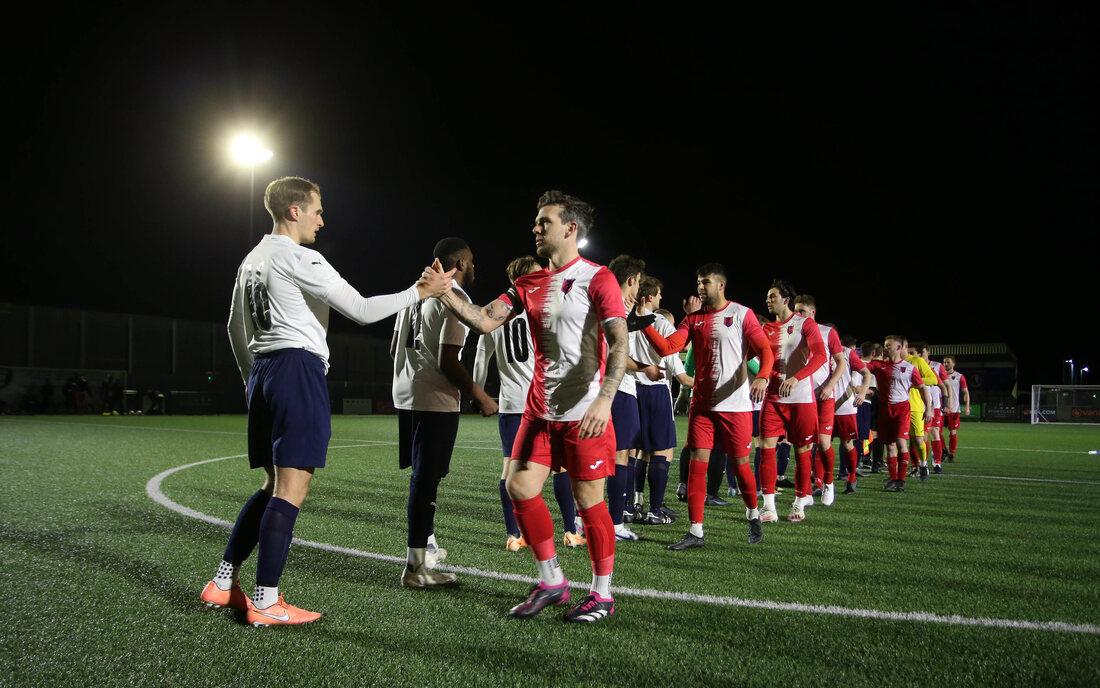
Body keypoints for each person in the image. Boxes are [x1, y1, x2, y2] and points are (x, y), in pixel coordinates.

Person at [203, 176, 452, 626]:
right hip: (297, 370)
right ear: (294, 211)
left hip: (263, 372)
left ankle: (223, 582)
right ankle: (265, 601)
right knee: (292, 488)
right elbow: (359, 309)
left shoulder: (252, 259)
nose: (322, 218)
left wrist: (251, 382)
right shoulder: (299, 256)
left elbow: (232, 329)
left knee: (271, 485)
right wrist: (420, 292)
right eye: (317, 209)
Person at [433, 190, 628, 623]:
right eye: (536, 222)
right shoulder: (527, 283)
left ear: (570, 228)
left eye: (544, 222)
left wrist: (605, 398)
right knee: (519, 487)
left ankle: (602, 594)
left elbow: (619, 342)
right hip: (538, 411)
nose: (536, 229)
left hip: (584, 414)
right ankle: (552, 581)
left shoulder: (598, 278)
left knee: (588, 501)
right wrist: (446, 293)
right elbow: (484, 320)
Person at [639, 263, 774, 549]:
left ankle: (753, 514)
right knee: (697, 467)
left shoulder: (741, 314)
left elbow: (765, 350)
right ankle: (696, 531)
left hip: (736, 407)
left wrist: (762, 377)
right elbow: (667, 348)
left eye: (707, 282)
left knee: (740, 466)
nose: (701, 287)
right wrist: (644, 324)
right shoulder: (693, 319)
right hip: (702, 406)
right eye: (699, 282)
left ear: (721, 285)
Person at [392, 237, 498, 588]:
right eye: (473, 262)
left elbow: (396, 345)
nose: (475, 268)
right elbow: (448, 360)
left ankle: (428, 546)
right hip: (433, 398)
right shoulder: (454, 296)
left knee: (422, 478)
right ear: (462, 263)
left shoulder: (417, 289)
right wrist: (480, 395)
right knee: (426, 482)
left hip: (406, 392)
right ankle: (416, 568)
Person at [473, 255, 585, 551]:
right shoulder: (542, 308)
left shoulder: (494, 314)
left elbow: (481, 360)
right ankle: (571, 531)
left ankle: (513, 535)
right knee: (560, 468)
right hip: (542, 402)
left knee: (510, 470)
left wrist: (480, 395)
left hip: (510, 404)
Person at [759, 281, 827, 523]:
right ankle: (768, 506)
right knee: (766, 447)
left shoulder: (804, 323)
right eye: (767, 296)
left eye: (772, 296)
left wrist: (797, 377)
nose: (768, 300)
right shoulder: (765, 328)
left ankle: (800, 500)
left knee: (802, 451)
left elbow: (820, 356)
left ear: (785, 299)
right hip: (773, 397)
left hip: (801, 399)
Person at [791, 295, 847, 506]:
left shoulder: (827, 332)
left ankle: (829, 483)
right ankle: (804, 493)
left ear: (813, 313)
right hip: (801, 397)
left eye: (802, 311)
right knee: (802, 445)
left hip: (823, 395)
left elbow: (841, 363)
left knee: (824, 443)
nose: (798, 315)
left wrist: (830, 385)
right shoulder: (792, 331)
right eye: (796, 311)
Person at [866, 336, 932, 492]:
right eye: (885, 345)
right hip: (884, 408)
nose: (886, 348)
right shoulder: (878, 365)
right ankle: (893, 478)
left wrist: (928, 408)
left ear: (899, 347)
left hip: (902, 409)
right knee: (889, 445)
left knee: (901, 442)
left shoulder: (909, 368)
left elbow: (923, 388)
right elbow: (860, 366)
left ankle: (901, 480)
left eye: (889, 345)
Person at [916, 342, 950, 473]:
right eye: (917, 353)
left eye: (922, 352)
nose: (920, 355)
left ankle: (937, 463)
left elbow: (944, 386)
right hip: (919, 406)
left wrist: (946, 403)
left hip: (934, 406)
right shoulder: (913, 367)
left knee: (935, 432)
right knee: (922, 437)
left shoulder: (936, 367)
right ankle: (922, 463)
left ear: (927, 352)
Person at [941, 355, 970, 461]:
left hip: (953, 409)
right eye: (944, 362)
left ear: (953, 363)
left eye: (948, 362)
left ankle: (951, 454)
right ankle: (943, 450)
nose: (945, 364)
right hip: (941, 408)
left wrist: (967, 407)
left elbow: (965, 392)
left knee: (952, 432)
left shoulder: (959, 376)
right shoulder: (939, 375)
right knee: (936, 432)